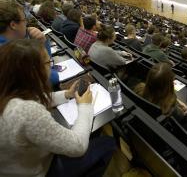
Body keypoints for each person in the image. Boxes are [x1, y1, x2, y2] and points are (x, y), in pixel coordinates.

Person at [0, 39, 116, 177]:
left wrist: (67, 94)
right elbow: (78, 146)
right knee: (109, 143)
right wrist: (85, 105)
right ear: (33, 71)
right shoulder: (28, 112)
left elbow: (34, 99)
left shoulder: (8, 91)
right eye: (49, 63)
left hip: (21, 162)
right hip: (40, 169)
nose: (51, 66)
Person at [0, 0, 59, 86]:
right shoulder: (16, 54)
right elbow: (52, 77)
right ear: (13, 25)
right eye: (24, 20)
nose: (26, 23)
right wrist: (42, 44)